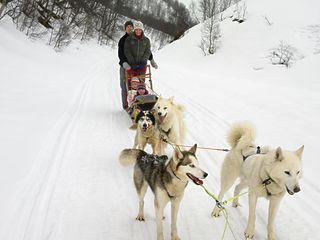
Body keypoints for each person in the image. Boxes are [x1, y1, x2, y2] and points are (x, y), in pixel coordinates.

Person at [118, 21, 158, 110]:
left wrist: (150, 60)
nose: (129, 28)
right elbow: (123, 52)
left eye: (130, 27)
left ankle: (143, 103)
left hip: (141, 65)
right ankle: (127, 105)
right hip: (126, 65)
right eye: (127, 27)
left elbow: (147, 51)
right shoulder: (125, 39)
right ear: (125, 28)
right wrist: (127, 62)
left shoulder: (146, 40)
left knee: (140, 84)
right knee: (126, 86)